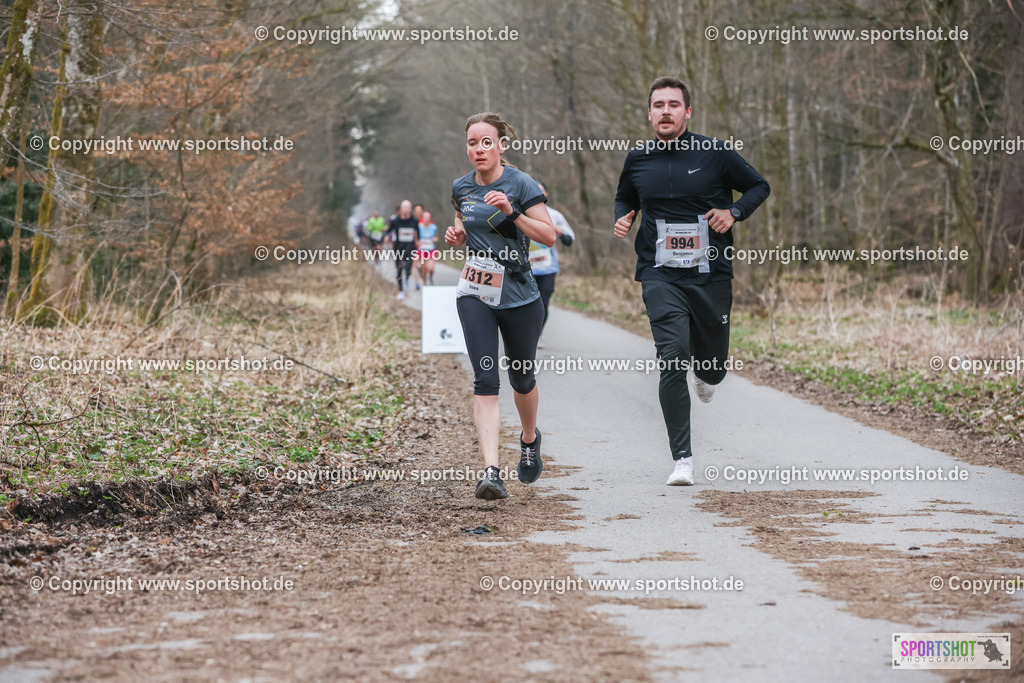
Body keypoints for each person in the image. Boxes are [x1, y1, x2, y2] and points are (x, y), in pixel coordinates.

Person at [613, 76, 770, 486]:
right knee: (672, 357)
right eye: (658, 105)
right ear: (649, 113)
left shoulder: (715, 152)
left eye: (673, 104)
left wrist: (734, 213)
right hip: (659, 272)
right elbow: (626, 195)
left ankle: (708, 373)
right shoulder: (638, 158)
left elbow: (759, 186)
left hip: (709, 273)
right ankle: (682, 459)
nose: (665, 111)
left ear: (687, 112)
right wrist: (625, 215)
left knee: (713, 368)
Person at [446, 112, 556, 500]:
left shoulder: (521, 183)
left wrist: (512, 212)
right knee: (486, 380)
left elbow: (549, 236)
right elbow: (463, 225)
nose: (479, 149)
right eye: (473, 143)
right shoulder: (461, 187)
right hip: (476, 292)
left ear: (501, 146)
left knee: (521, 379)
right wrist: (457, 236)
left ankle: (529, 439)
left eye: (486, 142)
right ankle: (491, 471)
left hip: (521, 296)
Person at [529, 182, 576, 339]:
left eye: (541, 191)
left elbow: (569, 240)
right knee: (526, 304)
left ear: (546, 195)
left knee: (543, 304)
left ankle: (537, 334)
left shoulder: (555, 216)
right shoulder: (520, 213)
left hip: (547, 268)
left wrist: (560, 232)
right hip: (524, 269)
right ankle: (524, 335)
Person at [386, 200, 419, 300]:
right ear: (400, 209)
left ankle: (407, 278)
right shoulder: (395, 221)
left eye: (407, 207)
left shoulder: (414, 220)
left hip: (410, 248)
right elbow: (388, 231)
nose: (405, 209)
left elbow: (418, 232)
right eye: (404, 207)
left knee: (408, 268)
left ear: (410, 209)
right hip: (398, 249)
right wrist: (386, 237)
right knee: (399, 269)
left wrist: (419, 241)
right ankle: (401, 290)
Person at [416, 211, 439, 286]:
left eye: (427, 218)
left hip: (431, 249)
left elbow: (436, 237)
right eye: (425, 218)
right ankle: (425, 284)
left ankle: (430, 277)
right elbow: (415, 237)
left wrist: (435, 239)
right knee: (424, 268)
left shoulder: (433, 227)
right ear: (422, 218)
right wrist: (417, 241)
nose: (426, 219)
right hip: (422, 250)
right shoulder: (419, 226)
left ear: (430, 219)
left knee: (431, 269)